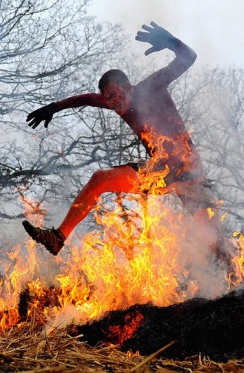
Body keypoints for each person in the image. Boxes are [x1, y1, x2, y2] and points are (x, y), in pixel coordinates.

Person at [22, 21, 221, 258]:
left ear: (128, 87)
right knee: (100, 179)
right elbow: (84, 99)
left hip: (190, 173)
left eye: (116, 96)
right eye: (108, 101)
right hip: (160, 171)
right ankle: (57, 238)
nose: (114, 105)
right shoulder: (113, 102)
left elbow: (188, 57)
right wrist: (54, 107)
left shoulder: (152, 87)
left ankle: (236, 281)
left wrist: (169, 41)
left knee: (213, 241)